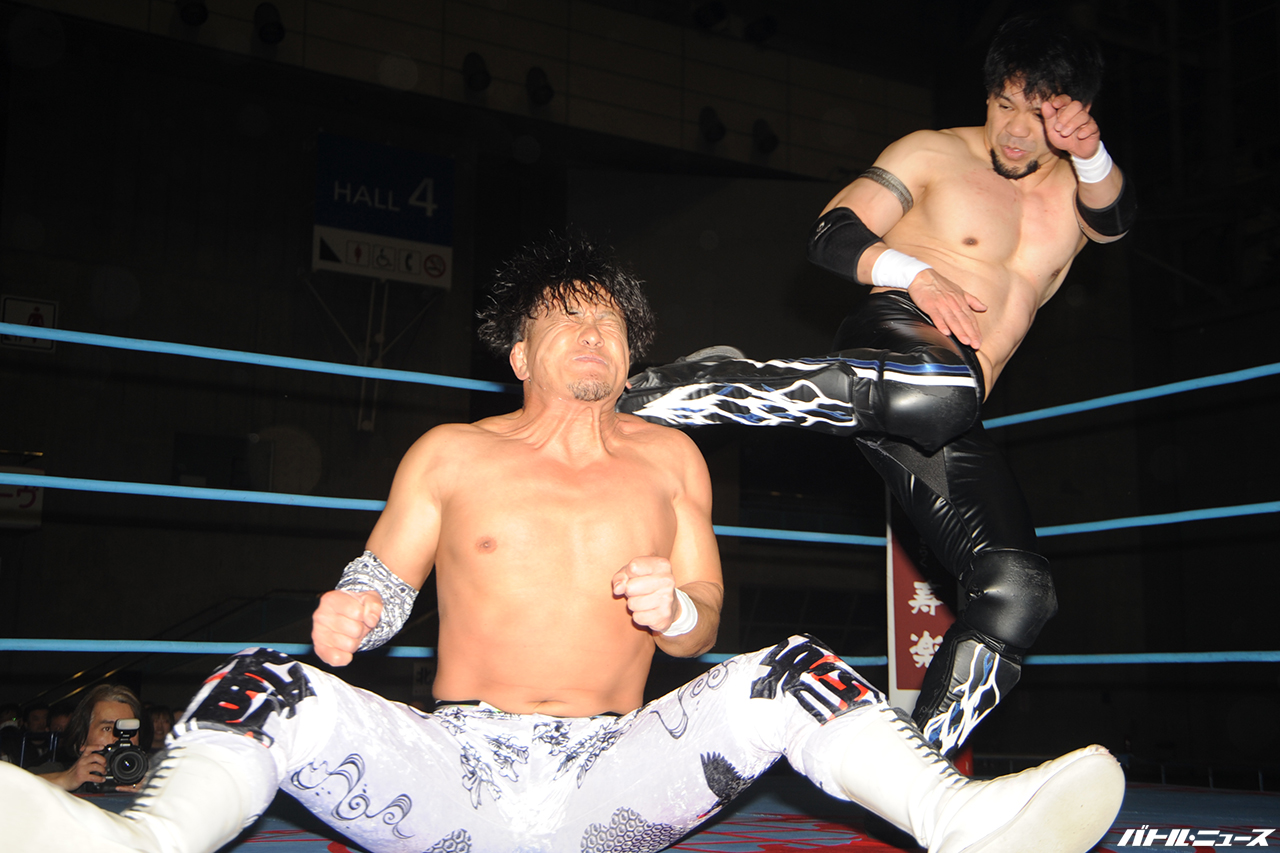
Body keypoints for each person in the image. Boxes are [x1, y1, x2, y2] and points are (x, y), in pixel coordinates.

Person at [2, 234, 1124, 853]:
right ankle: (140, 845)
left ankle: (960, 820)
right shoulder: (450, 452)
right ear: (521, 353)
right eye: (570, 318)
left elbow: (701, 626)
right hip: (447, 774)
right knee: (262, 681)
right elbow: (381, 578)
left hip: (614, 777)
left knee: (788, 667)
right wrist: (359, 610)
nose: (597, 335)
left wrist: (674, 609)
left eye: (612, 323)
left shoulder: (671, 459)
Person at [618, 14, 1135, 759]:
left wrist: (1090, 153)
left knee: (1019, 590)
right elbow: (832, 232)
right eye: (1004, 105)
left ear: (1076, 114)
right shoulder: (933, 153)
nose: (1016, 131)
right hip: (895, 338)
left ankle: (915, 774)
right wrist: (916, 275)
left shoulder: (1081, 188)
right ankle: (708, 383)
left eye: (1040, 114)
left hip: (945, 411)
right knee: (943, 391)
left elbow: (1115, 222)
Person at [26, 684, 145, 793]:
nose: (118, 739)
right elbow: (16, 787)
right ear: (82, 737)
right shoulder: (56, 772)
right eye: (107, 729)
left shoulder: (152, 775)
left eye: (129, 730)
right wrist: (65, 780)